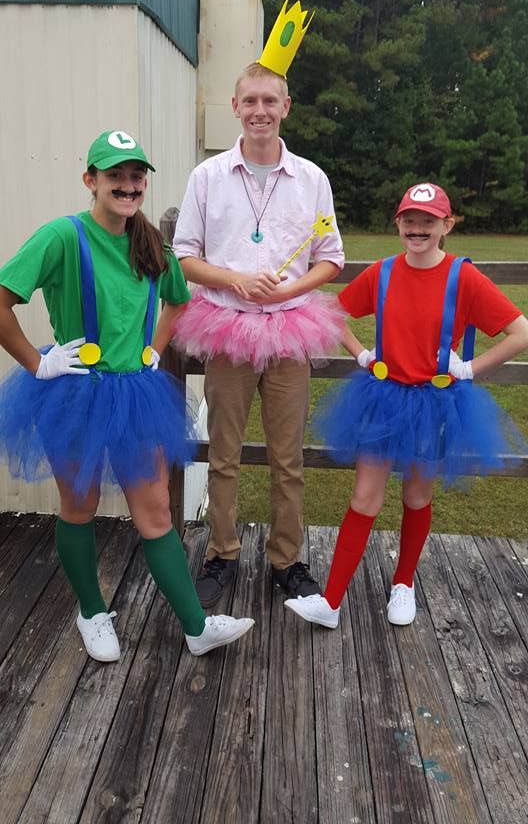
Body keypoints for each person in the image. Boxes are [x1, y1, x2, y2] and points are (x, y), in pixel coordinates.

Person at [0, 130, 254, 661]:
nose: (127, 184)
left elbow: (178, 301)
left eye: (136, 176)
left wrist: (153, 349)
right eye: (114, 175)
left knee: (156, 508)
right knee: (80, 502)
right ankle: (91, 612)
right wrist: (35, 361)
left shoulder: (152, 244)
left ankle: (195, 626)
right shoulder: (62, 238)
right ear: (90, 180)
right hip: (73, 393)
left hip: (135, 394)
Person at [284, 182, 528, 629]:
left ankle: (403, 583)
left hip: (434, 403)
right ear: (398, 223)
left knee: (417, 495)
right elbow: (333, 313)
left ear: (446, 225)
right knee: (364, 498)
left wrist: (471, 369)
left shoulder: (462, 276)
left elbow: (521, 332)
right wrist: (361, 353)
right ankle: (331, 601)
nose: (418, 229)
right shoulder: (383, 271)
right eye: (409, 220)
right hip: (383, 398)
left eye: (428, 221)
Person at [172, 61, 345, 607]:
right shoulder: (208, 177)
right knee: (223, 454)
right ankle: (222, 554)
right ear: (236, 107)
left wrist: (289, 292)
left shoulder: (312, 179)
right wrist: (237, 281)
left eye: (271, 101)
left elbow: (330, 258)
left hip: (291, 332)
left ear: (286, 107)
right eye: (250, 101)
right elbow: (183, 257)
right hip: (228, 329)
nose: (260, 111)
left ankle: (286, 560)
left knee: (286, 456)